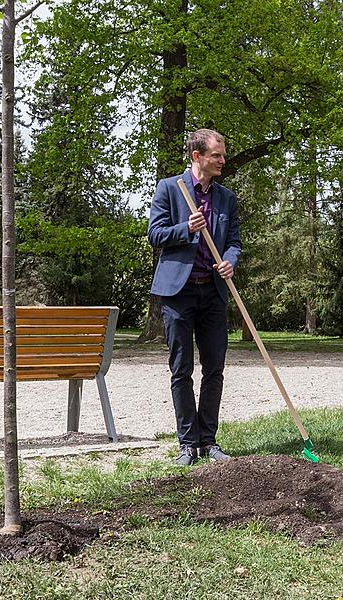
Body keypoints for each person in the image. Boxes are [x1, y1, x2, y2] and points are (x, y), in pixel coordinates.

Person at [148, 129, 241, 466]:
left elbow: (233, 241)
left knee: (214, 368)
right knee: (181, 369)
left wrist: (230, 260)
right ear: (197, 156)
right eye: (216, 155)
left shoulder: (226, 198)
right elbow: (155, 234)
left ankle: (209, 440)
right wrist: (185, 227)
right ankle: (187, 443)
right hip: (178, 292)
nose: (222, 160)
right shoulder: (170, 189)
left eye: (223, 154)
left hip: (213, 293)